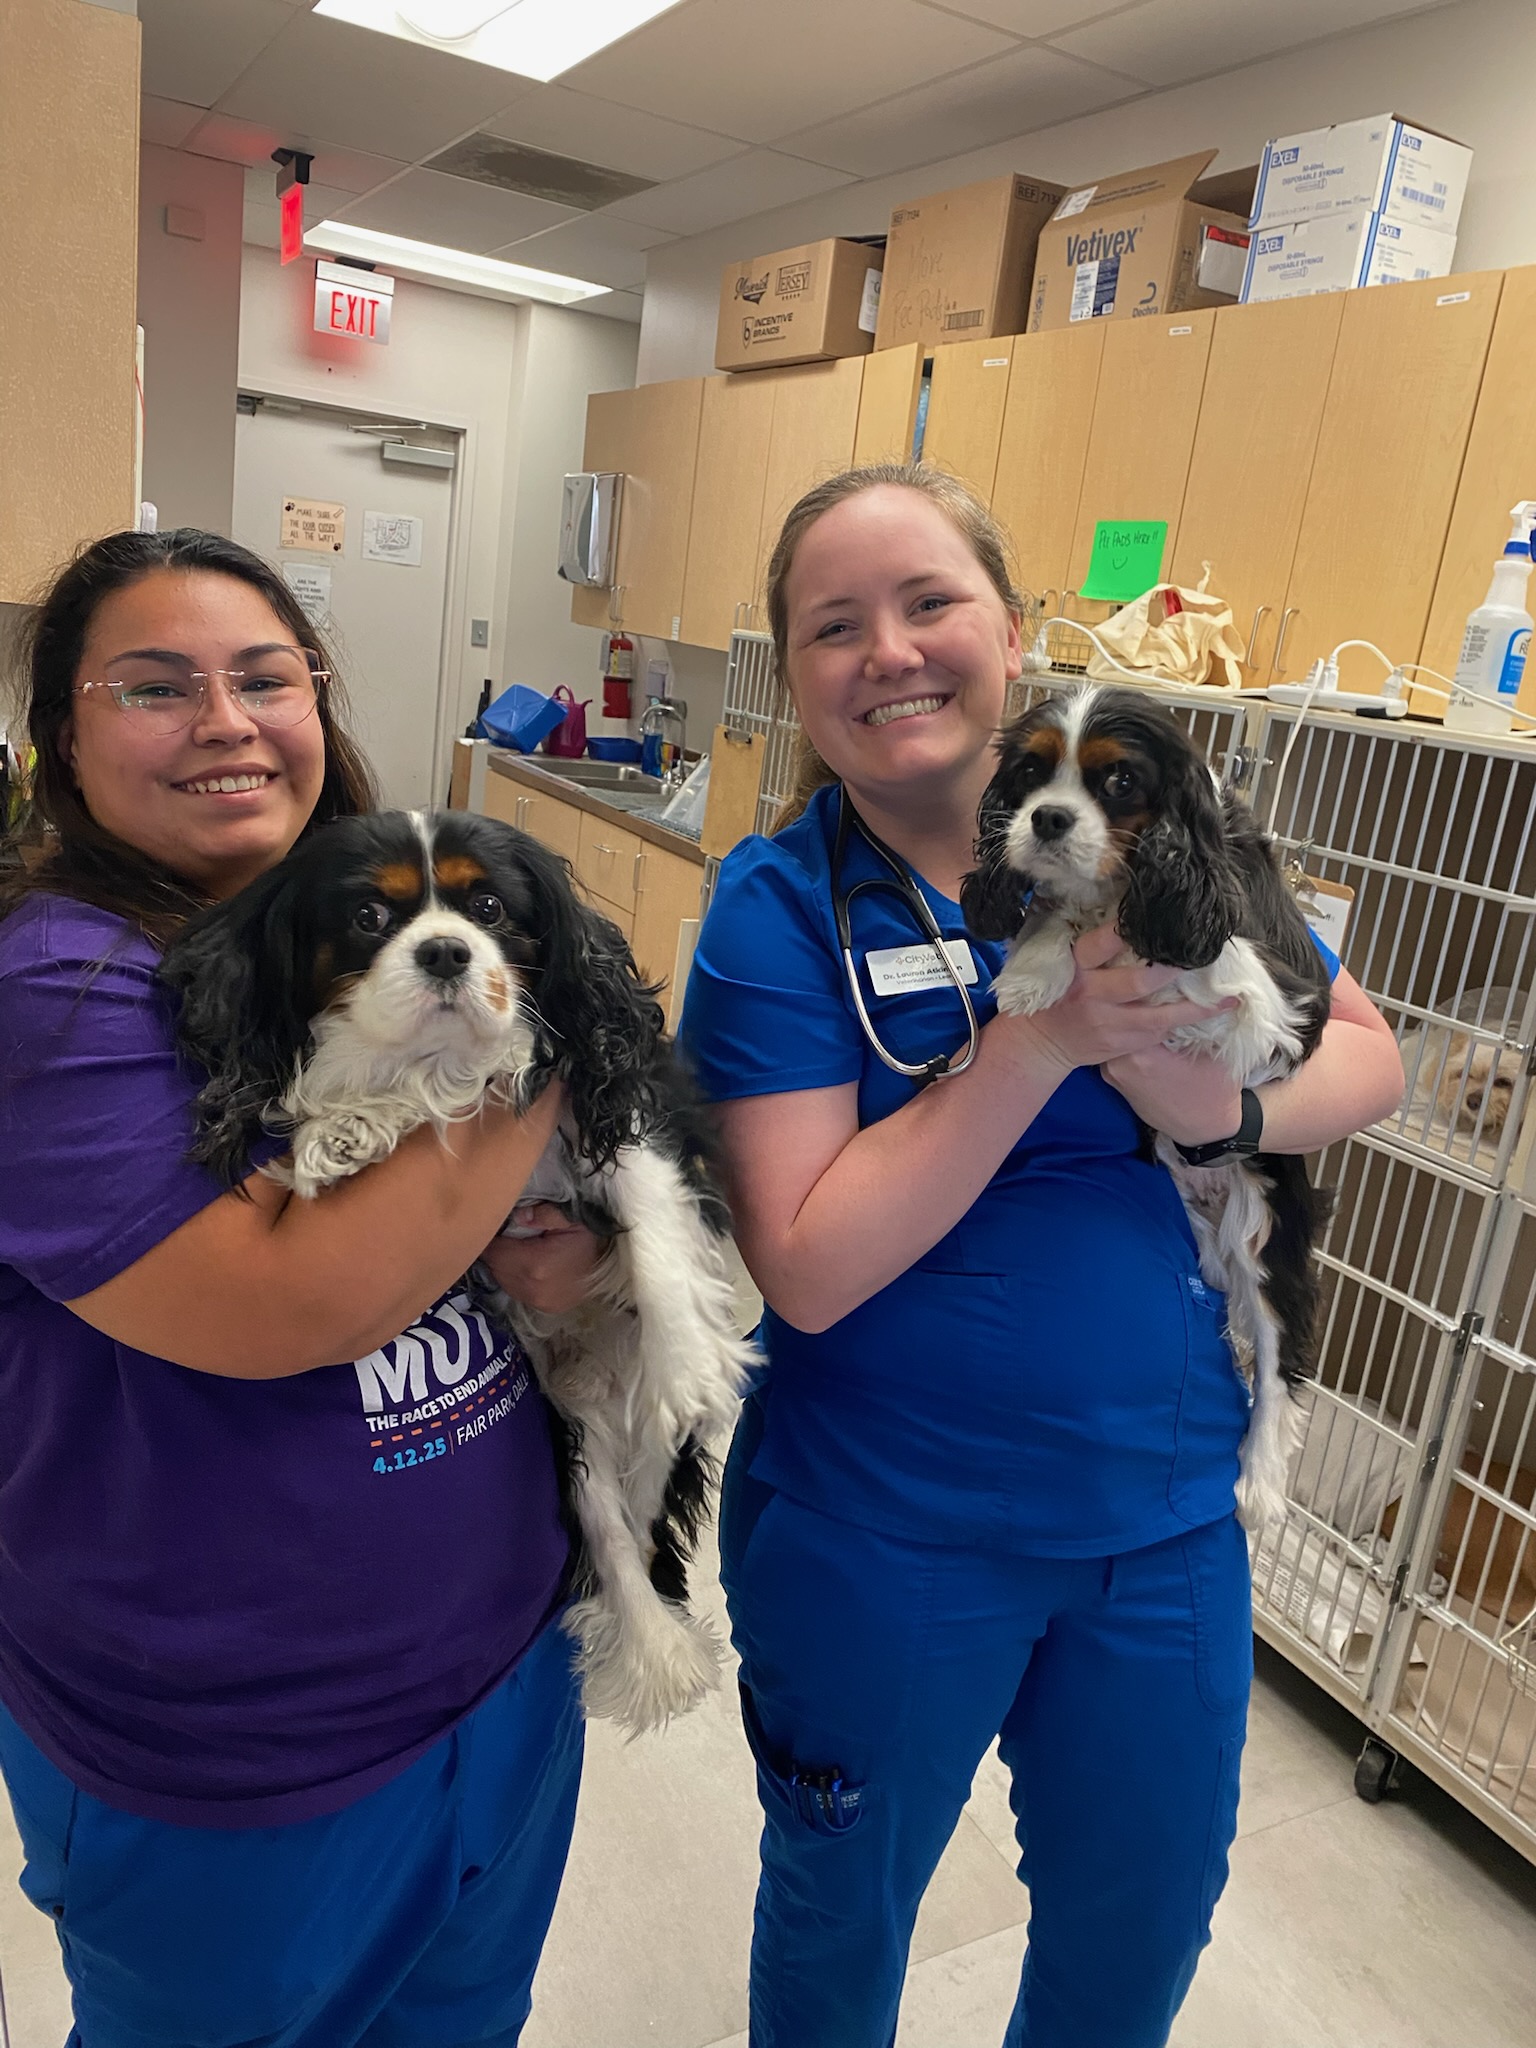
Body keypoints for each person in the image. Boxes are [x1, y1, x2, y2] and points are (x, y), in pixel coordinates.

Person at [679, 464, 1405, 2048]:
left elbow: (1369, 1061)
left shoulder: (1183, 848)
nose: (890, 651)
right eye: (834, 625)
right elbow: (805, 1265)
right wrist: (1049, 1042)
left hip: (1165, 1514)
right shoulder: (779, 913)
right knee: (844, 1919)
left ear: (1011, 633)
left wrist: (1225, 1104)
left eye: (930, 602)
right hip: (890, 1528)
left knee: (1140, 1920)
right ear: (793, 676)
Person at [0, 529, 597, 2048]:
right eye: (155, 687)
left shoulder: (327, 932)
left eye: (266, 678)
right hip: (244, 1761)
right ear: (61, 734)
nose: (226, 721)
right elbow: (291, 1307)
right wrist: (541, 1033)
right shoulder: (59, 986)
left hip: (496, 1673)